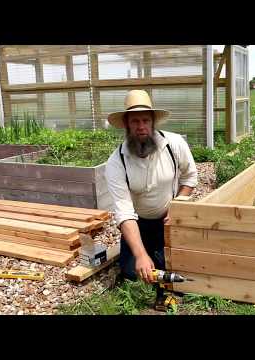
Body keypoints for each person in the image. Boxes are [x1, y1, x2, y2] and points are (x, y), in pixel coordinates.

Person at [105, 89, 198, 311]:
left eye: (145, 120)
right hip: (138, 223)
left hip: (170, 219)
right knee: (131, 272)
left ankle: (164, 278)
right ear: (126, 125)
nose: (141, 127)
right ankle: (144, 255)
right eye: (135, 121)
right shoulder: (116, 162)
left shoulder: (174, 145)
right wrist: (140, 255)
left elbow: (190, 177)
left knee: (179, 272)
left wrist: (179, 205)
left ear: (153, 122)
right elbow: (124, 213)